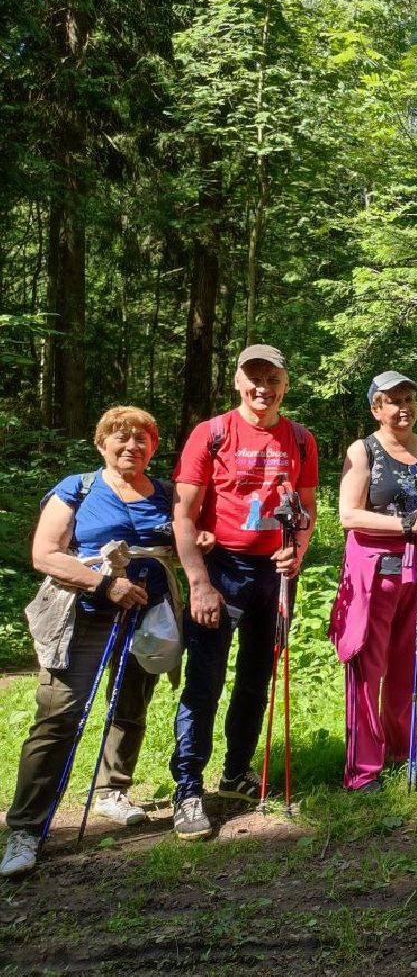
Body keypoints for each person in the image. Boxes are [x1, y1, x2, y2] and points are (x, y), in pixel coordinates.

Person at [1, 408, 182, 877]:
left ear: (154, 447)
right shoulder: (78, 488)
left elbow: (182, 543)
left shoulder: (165, 492)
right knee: (60, 713)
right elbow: (45, 553)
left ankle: (111, 791)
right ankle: (25, 827)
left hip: (147, 615)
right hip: (81, 616)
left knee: (130, 705)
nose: (132, 447)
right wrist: (104, 586)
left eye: (143, 440)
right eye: (121, 439)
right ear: (101, 444)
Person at [169, 344, 318, 840]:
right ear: (238, 381)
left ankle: (235, 773)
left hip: (274, 574)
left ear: (285, 384)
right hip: (221, 569)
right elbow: (184, 516)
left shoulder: (300, 439)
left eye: (272, 378)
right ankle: (188, 788)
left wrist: (295, 553)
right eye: (253, 378)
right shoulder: (210, 434)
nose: (262, 388)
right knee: (204, 681)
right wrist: (198, 583)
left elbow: (307, 508)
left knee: (256, 678)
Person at [330, 372, 417, 792]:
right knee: (369, 667)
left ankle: (400, 750)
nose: (403, 408)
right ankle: (363, 770)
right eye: (393, 401)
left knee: (408, 666)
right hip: (375, 573)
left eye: (409, 399)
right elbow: (348, 515)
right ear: (376, 408)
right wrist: (406, 523)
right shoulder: (364, 451)